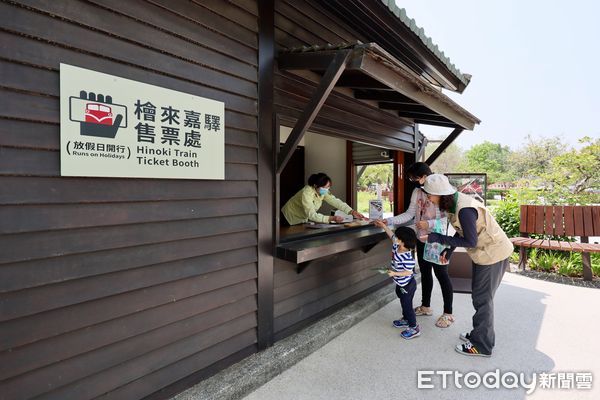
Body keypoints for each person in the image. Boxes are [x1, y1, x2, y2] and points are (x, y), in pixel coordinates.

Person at [420, 174, 514, 357]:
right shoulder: (454, 204)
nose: (429, 199)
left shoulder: (464, 209)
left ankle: (482, 345)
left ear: (441, 195)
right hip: (485, 254)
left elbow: (470, 240)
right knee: (480, 296)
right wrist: (449, 251)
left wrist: (436, 237)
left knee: (482, 299)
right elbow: (461, 231)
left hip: (493, 254)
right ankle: (478, 334)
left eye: (430, 195)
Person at [381, 163, 455, 329]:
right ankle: (425, 306)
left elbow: (448, 220)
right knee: (426, 274)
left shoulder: (442, 192)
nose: (414, 181)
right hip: (421, 238)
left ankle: (448, 313)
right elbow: (409, 214)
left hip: (439, 240)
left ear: (423, 175)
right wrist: (390, 221)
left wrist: (427, 223)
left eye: (415, 177)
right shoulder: (417, 192)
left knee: (442, 276)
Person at [373, 221, 420, 339]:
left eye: (397, 237)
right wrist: (383, 226)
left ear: (403, 241)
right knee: (402, 299)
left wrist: (394, 273)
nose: (395, 237)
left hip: (407, 285)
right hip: (400, 283)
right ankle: (406, 319)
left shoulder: (407, 257)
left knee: (407, 305)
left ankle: (414, 327)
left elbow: (408, 272)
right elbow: (391, 235)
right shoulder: (397, 245)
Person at [281, 172, 365, 225]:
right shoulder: (306, 192)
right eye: (325, 187)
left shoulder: (322, 192)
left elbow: (335, 201)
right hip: (288, 217)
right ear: (315, 186)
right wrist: (331, 218)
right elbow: (312, 215)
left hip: (301, 219)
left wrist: (351, 211)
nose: (327, 190)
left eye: (328, 187)